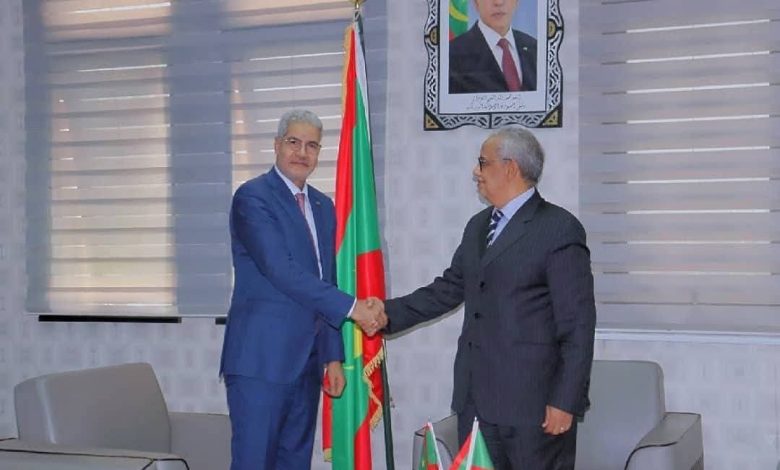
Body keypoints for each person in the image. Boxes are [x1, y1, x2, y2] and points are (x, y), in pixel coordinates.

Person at [381, 127, 595, 469]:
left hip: (533, 409)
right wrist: (384, 314)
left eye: (483, 162)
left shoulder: (558, 228)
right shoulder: (478, 226)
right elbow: (448, 288)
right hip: (476, 403)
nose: (475, 171)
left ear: (510, 168)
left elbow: (578, 325)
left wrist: (565, 401)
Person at [219, 109, 386, 470]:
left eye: (312, 145)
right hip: (261, 362)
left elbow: (325, 281)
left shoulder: (323, 207)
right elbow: (281, 270)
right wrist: (355, 308)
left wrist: (333, 356)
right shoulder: (253, 197)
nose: (302, 152)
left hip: (307, 364)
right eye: (293, 142)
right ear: (277, 145)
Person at [449, 0, 537, 94]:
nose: (499, 2)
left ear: (516, 2)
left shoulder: (535, 47)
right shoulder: (452, 55)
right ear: (476, 3)